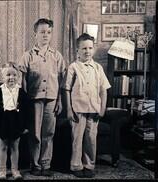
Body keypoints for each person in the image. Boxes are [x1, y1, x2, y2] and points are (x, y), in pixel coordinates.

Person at [18, 18, 66, 176]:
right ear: (35, 34)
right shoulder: (27, 56)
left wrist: (59, 100)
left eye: (48, 32)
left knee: (48, 133)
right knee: (35, 134)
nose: (45, 35)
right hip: (34, 100)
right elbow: (23, 80)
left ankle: (46, 164)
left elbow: (61, 81)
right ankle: (35, 164)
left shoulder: (57, 56)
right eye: (42, 32)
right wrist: (24, 101)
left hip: (51, 99)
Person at [62, 33, 111, 178]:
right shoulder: (73, 67)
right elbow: (66, 89)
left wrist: (102, 108)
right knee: (77, 138)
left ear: (93, 49)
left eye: (90, 48)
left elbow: (103, 89)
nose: (87, 51)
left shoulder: (98, 68)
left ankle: (89, 165)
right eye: (83, 48)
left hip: (94, 109)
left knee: (91, 138)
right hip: (78, 109)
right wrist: (69, 110)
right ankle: (76, 165)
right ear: (77, 50)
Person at [0, 62, 29, 180]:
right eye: (8, 75)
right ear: (3, 77)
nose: (11, 77)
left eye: (14, 75)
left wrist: (26, 125)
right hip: (3, 121)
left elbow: (26, 110)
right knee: (3, 146)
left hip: (16, 121)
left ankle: (15, 170)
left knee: (15, 146)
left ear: (18, 77)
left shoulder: (21, 92)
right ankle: (2, 170)